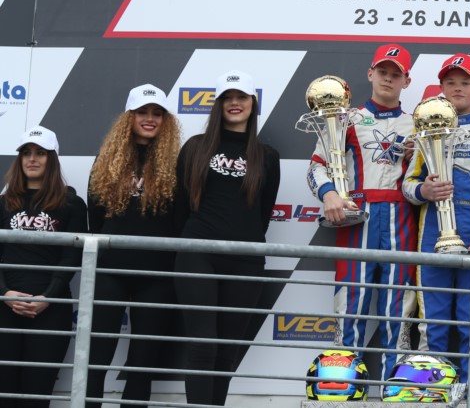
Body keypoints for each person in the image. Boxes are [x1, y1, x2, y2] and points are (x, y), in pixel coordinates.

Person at [306, 43, 418, 379]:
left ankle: (396, 389)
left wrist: (418, 157)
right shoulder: (345, 119)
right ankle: (341, 387)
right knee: (349, 305)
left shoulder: (418, 124)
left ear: (406, 81)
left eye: (396, 74)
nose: (388, 78)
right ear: (370, 73)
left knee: (398, 308)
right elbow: (317, 166)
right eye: (383, 71)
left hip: (402, 220)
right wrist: (329, 194)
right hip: (356, 218)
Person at [173, 70, 281, 406]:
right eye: (227, 98)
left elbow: (262, 214)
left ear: (252, 104)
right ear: (218, 105)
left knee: (226, 353)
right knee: (203, 344)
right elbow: (180, 206)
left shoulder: (267, 156)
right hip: (198, 254)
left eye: (241, 97)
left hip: (246, 260)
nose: (235, 103)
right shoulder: (195, 147)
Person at [403, 53, 470, 382]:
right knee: (432, 322)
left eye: (465, 82)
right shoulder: (425, 128)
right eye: (450, 82)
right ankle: (432, 389)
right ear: (442, 87)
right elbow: (408, 184)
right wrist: (424, 191)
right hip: (431, 237)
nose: (457, 88)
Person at [85, 84, 182, 408]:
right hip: (110, 272)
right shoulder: (106, 159)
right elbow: (96, 216)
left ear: (166, 121)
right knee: (96, 358)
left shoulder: (177, 164)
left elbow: (179, 221)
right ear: (129, 116)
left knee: (143, 364)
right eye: (142, 112)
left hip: (157, 276)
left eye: (157, 113)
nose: (150, 119)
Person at [0, 126, 88, 408]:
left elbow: (71, 258)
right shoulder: (3, 203)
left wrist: (48, 297)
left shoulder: (72, 204)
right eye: (26, 153)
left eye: (40, 153)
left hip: (50, 308)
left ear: (52, 159)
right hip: (4, 307)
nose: (32, 159)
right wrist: (5, 293)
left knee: (36, 395)